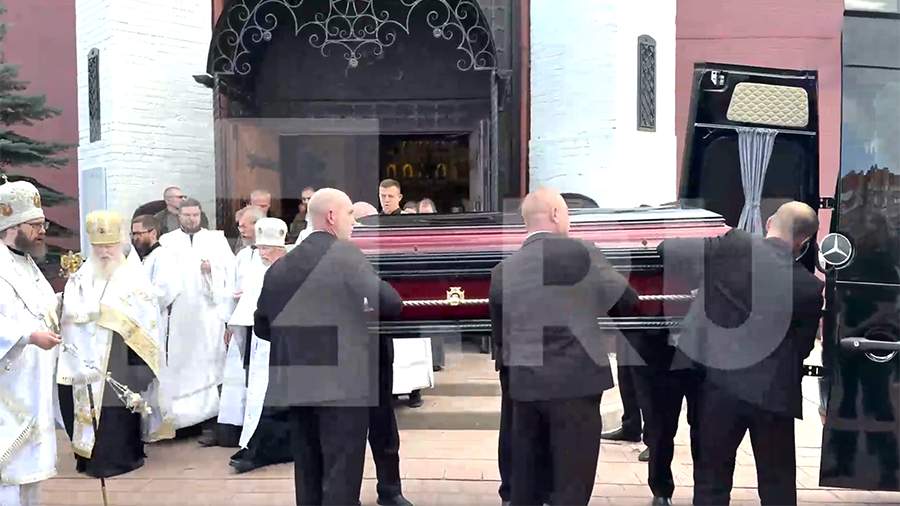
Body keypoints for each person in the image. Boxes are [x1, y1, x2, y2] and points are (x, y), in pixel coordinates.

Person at [659, 201, 823, 506]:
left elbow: (666, 249)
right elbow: (803, 348)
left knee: (711, 482)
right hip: (774, 395)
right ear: (804, 241)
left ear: (769, 222)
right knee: (777, 485)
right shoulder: (809, 288)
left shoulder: (733, 246)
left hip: (719, 389)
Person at [490, 187, 638, 506]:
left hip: (526, 391)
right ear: (556, 214)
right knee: (572, 485)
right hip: (576, 388)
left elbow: (500, 340)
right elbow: (627, 301)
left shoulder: (503, 271)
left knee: (527, 486)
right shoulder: (584, 254)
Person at [255, 188, 403, 505]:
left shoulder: (281, 265)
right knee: (341, 470)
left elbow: (262, 326)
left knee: (308, 467)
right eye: (350, 214)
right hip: (342, 383)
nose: (354, 222)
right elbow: (390, 303)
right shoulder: (345, 256)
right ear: (332, 217)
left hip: (297, 382)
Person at [58, 210, 169, 478]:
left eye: (109, 245)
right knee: (87, 409)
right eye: (99, 246)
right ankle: (88, 458)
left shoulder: (133, 277)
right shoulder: (81, 276)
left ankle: (120, 459)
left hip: (120, 356)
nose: (104, 252)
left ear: (119, 243)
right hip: (84, 356)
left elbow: (145, 316)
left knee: (117, 414)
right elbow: (70, 310)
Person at [0, 179, 62, 506]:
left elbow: (41, 310)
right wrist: (28, 336)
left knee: (29, 471)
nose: (42, 232)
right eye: (35, 225)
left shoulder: (27, 262)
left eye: (43, 224)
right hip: (8, 384)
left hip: (32, 380)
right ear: (13, 226)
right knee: (8, 471)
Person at [158, 198, 236, 439]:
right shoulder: (167, 242)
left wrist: (212, 269)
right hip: (181, 315)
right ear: (178, 216)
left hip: (209, 312)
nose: (191, 219)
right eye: (187, 215)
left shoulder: (216, 239)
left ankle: (210, 418)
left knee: (211, 362)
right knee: (182, 365)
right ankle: (183, 421)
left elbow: (231, 270)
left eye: (195, 215)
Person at [228, 217, 293, 474]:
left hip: (281, 344)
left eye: (267, 248)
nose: (262, 253)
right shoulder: (256, 267)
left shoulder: (290, 269)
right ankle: (253, 444)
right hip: (260, 342)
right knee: (258, 395)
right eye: (260, 248)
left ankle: (266, 449)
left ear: (280, 248)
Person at [214, 205, 267, 448]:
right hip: (240, 323)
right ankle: (233, 429)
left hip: (261, 325)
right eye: (239, 226)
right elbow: (231, 287)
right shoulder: (243, 256)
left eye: (244, 225)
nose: (241, 230)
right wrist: (228, 321)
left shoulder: (275, 255)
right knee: (238, 378)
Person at [131, 214, 181, 442]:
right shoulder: (139, 258)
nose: (135, 238)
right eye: (133, 234)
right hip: (137, 324)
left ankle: (156, 426)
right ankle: (143, 427)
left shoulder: (163, 257)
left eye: (138, 233)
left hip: (153, 323)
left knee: (153, 375)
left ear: (153, 233)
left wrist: (135, 297)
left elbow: (165, 292)